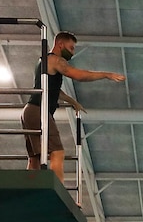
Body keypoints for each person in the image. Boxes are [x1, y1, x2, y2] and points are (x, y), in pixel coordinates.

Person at [20, 31, 126, 181]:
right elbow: (79, 75)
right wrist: (106, 74)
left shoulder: (44, 60)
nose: (72, 52)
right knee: (57, 152)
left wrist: (72, 101)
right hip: (39, 111)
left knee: (35, 157)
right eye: (71, 48)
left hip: (30, 110)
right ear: (60, 44)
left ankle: (29, 187)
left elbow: (54, 89)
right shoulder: (56, 60)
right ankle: (56, 192)